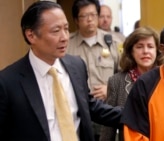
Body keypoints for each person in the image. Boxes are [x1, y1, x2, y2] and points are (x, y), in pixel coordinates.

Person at [0, 1, 122, 141]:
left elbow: (89, 106)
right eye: (56, 31)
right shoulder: (8, 82)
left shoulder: (76, 65)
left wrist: (135, 115)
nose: (64, 37)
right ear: (31, 35)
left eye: (66, 28)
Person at [67, 0, 122, 140]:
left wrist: (110, 87)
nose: (90, 19)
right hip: (78, 110)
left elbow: (126, 75)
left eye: (93, 14)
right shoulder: (67, 44)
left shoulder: (114, 42)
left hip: (107, 109)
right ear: (76, 20)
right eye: (84, 16)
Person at [99, 26, 164, 141]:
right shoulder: (116, 81)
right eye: (139, 47)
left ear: (157, 51)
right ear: (131, 51)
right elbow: (109, 126)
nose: (145, 51)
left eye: (150, 46)